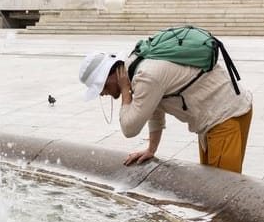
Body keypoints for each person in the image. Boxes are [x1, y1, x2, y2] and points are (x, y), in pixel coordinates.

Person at [79, 49, 253, 174]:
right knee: (211, 184)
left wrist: (125, 92)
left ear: (110, 76)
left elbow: (129, 129)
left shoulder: (144, 76)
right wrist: (151, 149)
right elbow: (153, 107)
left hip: (225, 115)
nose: (102, 93)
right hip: (213, 118)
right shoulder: (137, 65)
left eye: (101, 87)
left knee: (221, 192)